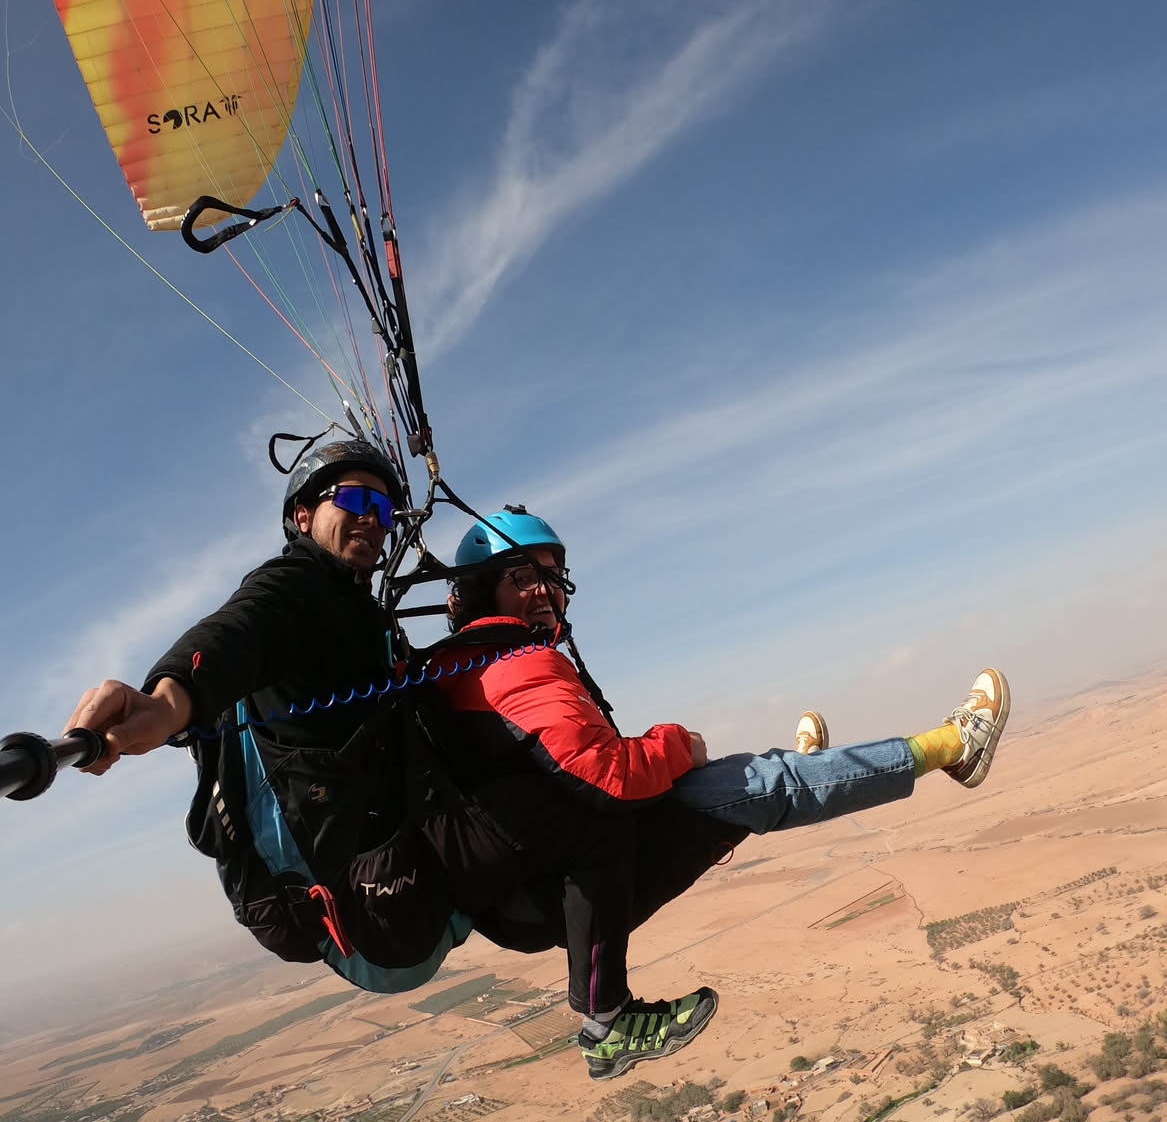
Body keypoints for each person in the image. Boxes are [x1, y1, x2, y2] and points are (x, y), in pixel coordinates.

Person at [62, 442, 721, 1075]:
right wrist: (167, 701)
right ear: (302, 516)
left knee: (554, 801)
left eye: (384, 508)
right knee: (586, 813)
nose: (374, 520)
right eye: (355, 500)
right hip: (363, 889)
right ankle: (607, 1021)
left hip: (401, 855)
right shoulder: (296, 590)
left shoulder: (356, 611)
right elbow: (239, 631)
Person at [426, 511, 1010, 1061]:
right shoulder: (517, 664)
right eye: (522, 576)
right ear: (482, 589)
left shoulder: (459, 667)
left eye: (552, 577)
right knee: (760, 783)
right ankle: (952, 748)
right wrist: (680, 743)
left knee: (749, 785)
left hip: (533, 887)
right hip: (561, 888)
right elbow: (611, 777)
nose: (544, 591)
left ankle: (806, 772)